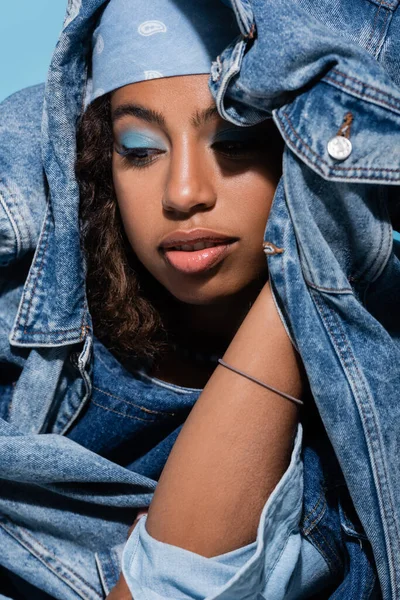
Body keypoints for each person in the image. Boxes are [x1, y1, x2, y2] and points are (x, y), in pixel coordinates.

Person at [1, 0, 399, 599]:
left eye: (234, 144)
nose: (183, 193)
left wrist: (310, 264)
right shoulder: (22, 317)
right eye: (139, 149)